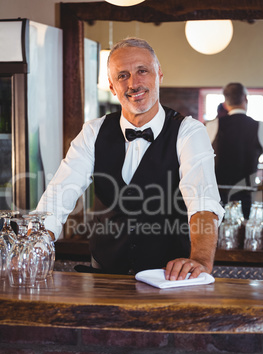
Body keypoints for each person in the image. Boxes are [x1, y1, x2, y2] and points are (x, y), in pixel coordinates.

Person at [35, 37, 224, 281]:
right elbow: (57, 196)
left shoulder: (188, 131)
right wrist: (35, 244)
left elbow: (202, 200)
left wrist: (200, 259)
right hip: (104, 280)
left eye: (142, 71)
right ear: (112, 87)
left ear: (159, 75)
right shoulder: (93, 132)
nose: (134, 83)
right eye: (122, 75)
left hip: (168, 279)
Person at [207, 83, 263, 219]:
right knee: (243, 232)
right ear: (245, 99)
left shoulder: (213, 125)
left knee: (219, 233)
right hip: (246, 194)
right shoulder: (261, 127)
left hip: (217, 195)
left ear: (226, 103)